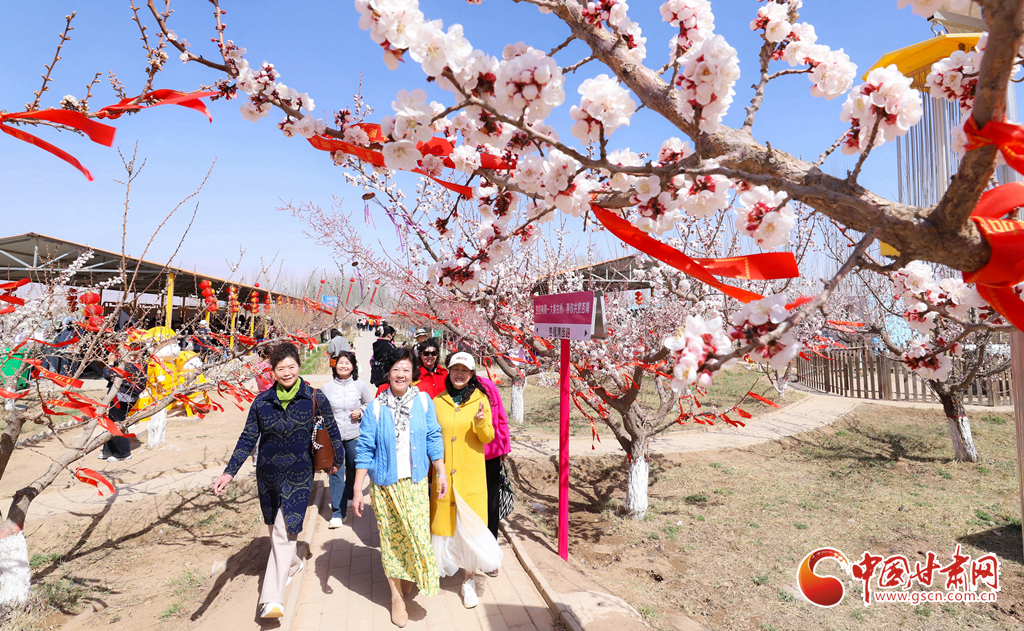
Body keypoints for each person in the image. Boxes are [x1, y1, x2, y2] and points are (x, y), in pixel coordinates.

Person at [213, 343, 345, 620]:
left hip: (299, 474)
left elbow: (332, 430)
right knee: (276, 530)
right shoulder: (262, 402)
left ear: (299, 366)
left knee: (284, 533)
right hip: (268, 476)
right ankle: (294, 563)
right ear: (272, 372)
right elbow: (247, 438)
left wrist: (337, 461)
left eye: (291, 367)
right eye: (280, 368)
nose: (287, 372)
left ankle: (272, 599)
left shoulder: (313, 397)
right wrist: (229, 472)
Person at [353, 346, 447, 628]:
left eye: (406, 369)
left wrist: (441, 472)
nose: (401, 374)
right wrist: (357, 489)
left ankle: (409, 574)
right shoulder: (376, 407)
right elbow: (365, 448)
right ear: (388, 373)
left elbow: (433, 436)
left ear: (413, 372)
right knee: (392, 542)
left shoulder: (424, 402)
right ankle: (396, 597)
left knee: (417, 536)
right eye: (396, 369)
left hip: (416, 483)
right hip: (385, 486)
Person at [430, 352, 501, 609]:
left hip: (470, 477)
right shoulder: (438, 401)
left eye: (465, 370)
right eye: (455, 369)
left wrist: (481, 423)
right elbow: (432, 436)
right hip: (444, 476)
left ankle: (469, 580)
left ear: (472, 374)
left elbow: (488, 437)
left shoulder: (480, 399)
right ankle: (438, 568)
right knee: (444, 526)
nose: (459, 374)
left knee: (470, 529)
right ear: (448, 371)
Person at [321, 350, 373, 529]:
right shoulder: (327, 388)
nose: (343, 365)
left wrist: (361, 412)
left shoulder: (360, 386)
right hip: (333, 438)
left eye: (347, 363)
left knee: (353, 467)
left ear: (353, 366)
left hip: (354, 435)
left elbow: (369, 404)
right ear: (335, 365)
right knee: (336, 472)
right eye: (340, 362)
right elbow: (321, 411)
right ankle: (338, 513)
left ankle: (350, 494)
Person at [477, 373, 511, 572]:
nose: (461, 373)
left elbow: (500, 417)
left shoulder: (487, 386)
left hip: (490, 453)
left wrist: (504, 446)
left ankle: (489, 554)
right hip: (464, 456)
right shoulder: (452, 386)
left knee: (491, 504)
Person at [100, 350, 146, 462]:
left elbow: (108, 375)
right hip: (123, 396)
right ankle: (108, 450)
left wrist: (110, 363)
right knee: (111, 421)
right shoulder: (137, 364)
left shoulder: (129, 366)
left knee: (117, 422)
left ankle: (123, 453)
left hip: (123, 397)